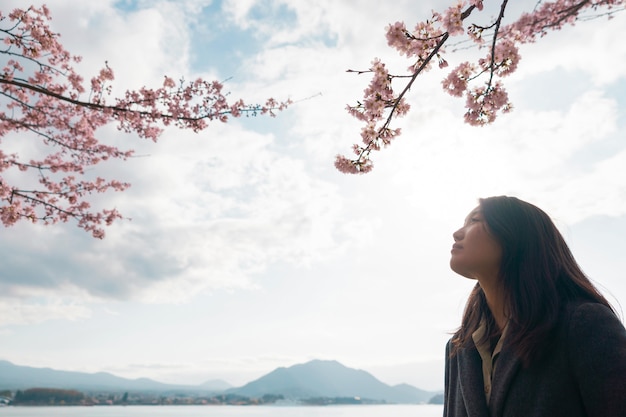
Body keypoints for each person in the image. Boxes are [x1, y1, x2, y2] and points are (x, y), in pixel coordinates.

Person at [444, 196, 626, 417]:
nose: (458, 233)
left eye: (474, 220)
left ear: (514, 235)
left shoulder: (584, 323)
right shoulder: (459, 348)